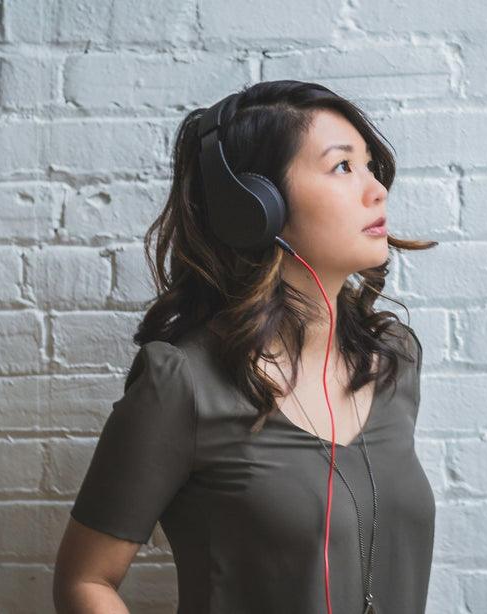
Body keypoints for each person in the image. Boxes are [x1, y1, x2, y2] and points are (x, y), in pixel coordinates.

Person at [52, 80, 439, 614]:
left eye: (370, 165)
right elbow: (85, 580)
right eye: (343, 167)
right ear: (255, 206)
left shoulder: (393, 357)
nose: (377, 190)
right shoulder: (183, 381)